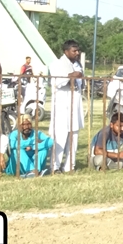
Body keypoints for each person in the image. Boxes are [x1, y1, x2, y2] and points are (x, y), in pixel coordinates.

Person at [49, 40, 85, 173]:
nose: (77, 53)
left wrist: (78, 74)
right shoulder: (56, 64)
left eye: (78, 50)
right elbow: (56, 82)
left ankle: (70, 165)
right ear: (66, 51)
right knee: (59, 136)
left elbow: (81, 82)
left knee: (73, 136)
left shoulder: (78, 65)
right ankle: (55, 166)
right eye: (74, 51)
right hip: (62, 104)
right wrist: (71, 75)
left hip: (75, 104)